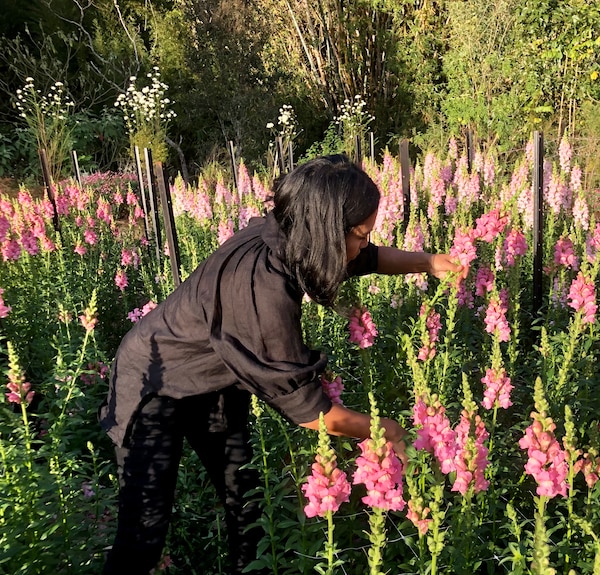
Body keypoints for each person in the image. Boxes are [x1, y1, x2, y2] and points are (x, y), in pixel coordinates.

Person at [98, 154, 463, 574]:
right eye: (360, 235)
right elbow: (311, 413)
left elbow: (366, 257)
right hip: (155, 382)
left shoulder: (293, 234)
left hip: (217, 376)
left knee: (246, 502)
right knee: (144, 532)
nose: (364, 244)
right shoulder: (261, 286)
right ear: (326, 231)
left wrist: (428, 262)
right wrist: (387, 429)